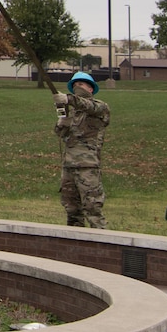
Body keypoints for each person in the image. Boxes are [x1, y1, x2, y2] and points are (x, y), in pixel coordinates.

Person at [54, 70, 110, 229]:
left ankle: (102, 243)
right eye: (75, 85)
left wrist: (69, 99)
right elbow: (60, 133)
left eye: (81, 84)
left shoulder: (99, 107)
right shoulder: (72, 111)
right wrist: (62, 122)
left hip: (88, 166)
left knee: (92, 209)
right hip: (69, 165)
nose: (77, 87)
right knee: (71, 209)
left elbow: (88, 105)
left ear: (90, 88)